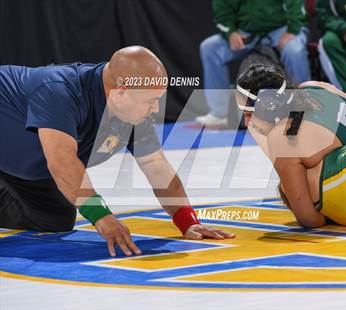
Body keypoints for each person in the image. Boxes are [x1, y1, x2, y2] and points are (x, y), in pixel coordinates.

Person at [0, 46, 235, 257]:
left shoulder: (132, 110)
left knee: (54, 218)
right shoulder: (58, 89)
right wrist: (102, 216)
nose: (155, 109)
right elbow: (61, 161)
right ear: (120, 92)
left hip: (18, 162)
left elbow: (156, 165)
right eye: (151, 100)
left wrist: (187, 221)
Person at [235, 64, 346, 228]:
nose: (247, 121)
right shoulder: (318, 88)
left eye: (248, 113)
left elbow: (308, 219)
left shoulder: (281, 137)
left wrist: (330, 215)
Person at [196, 0, 311, 127]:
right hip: (246, 34)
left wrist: (292, 30)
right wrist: (231, 33)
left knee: (294, 51)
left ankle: (304, 108)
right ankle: (219, 113)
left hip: (282, 29)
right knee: (209, 48)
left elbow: (295, 4)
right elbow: (222, 14)